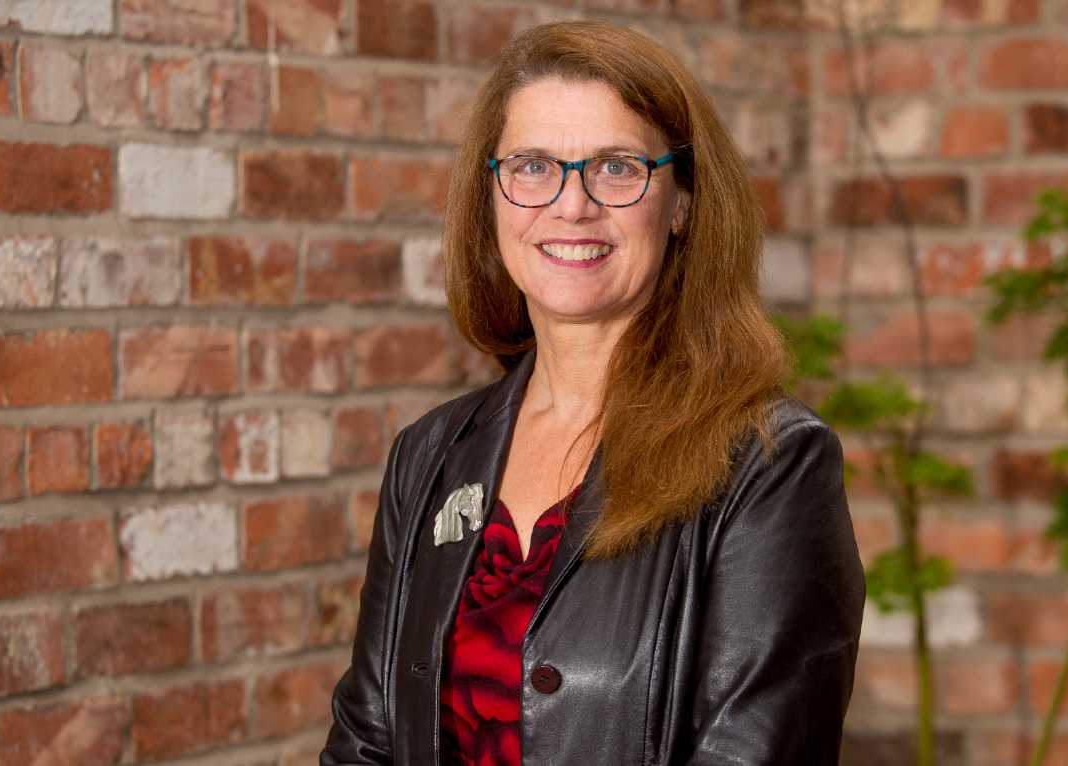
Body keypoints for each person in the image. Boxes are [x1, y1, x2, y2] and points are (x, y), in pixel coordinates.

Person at [322, 19, 864, 766]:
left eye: (615, 167)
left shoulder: (771, 465)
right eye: (534, 166)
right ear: (492, 199)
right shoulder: (429, 457)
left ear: (681, 203)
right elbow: (367, 740)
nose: (570, 205)